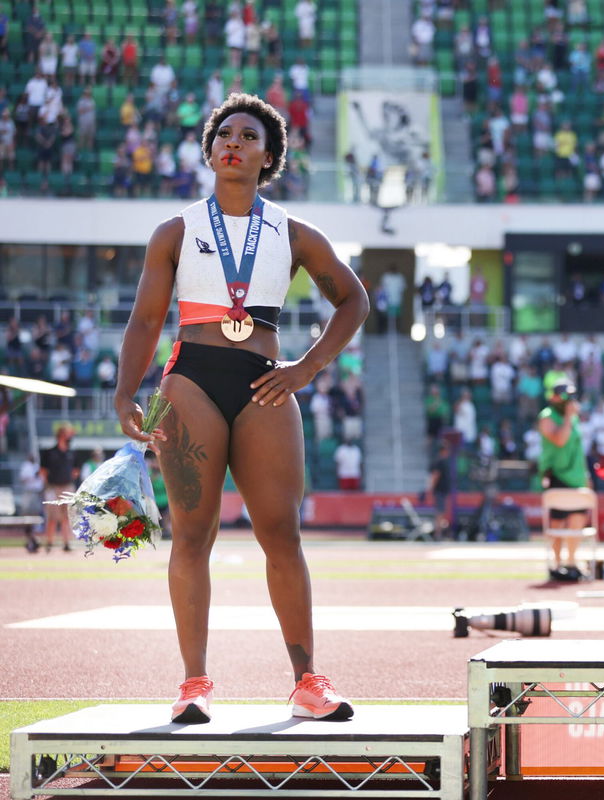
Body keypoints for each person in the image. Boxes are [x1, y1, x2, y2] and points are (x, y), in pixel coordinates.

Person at [114, 93, 369, 724]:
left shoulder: (292, 232)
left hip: (265, 381)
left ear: (269, 156)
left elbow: (354, 302)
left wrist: (307, 368)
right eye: (223, 134)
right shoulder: (174, 232)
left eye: (248, 135)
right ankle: (193, 684)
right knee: (192, 535)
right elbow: (147, 319)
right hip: (190, 380)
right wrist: (124, 393)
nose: (233, 142)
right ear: (209, 151)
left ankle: (308, 682)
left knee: (281, 533)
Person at [537, 381, 591, 580]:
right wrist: (568, 417)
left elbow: (577, 449)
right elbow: (559, 439)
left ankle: (571, 562)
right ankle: (557, 563)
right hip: (557, 474)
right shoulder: (547, 417)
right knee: (557, 523)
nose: (569, 400)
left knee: (577, 521)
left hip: (576, 476)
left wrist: (586, 475)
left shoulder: (574, 419)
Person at [39, 423, 78, 553]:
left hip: (67, 487)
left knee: (66, 517)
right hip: (53, 487)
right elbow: (43, 471)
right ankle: (49, 543)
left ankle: (66, 543)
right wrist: (48, 487)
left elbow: (75, 470)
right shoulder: (49, 452)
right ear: (61, 435)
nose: (69, 437)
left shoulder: (71, 453)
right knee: (52, 517)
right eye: (67, 434)